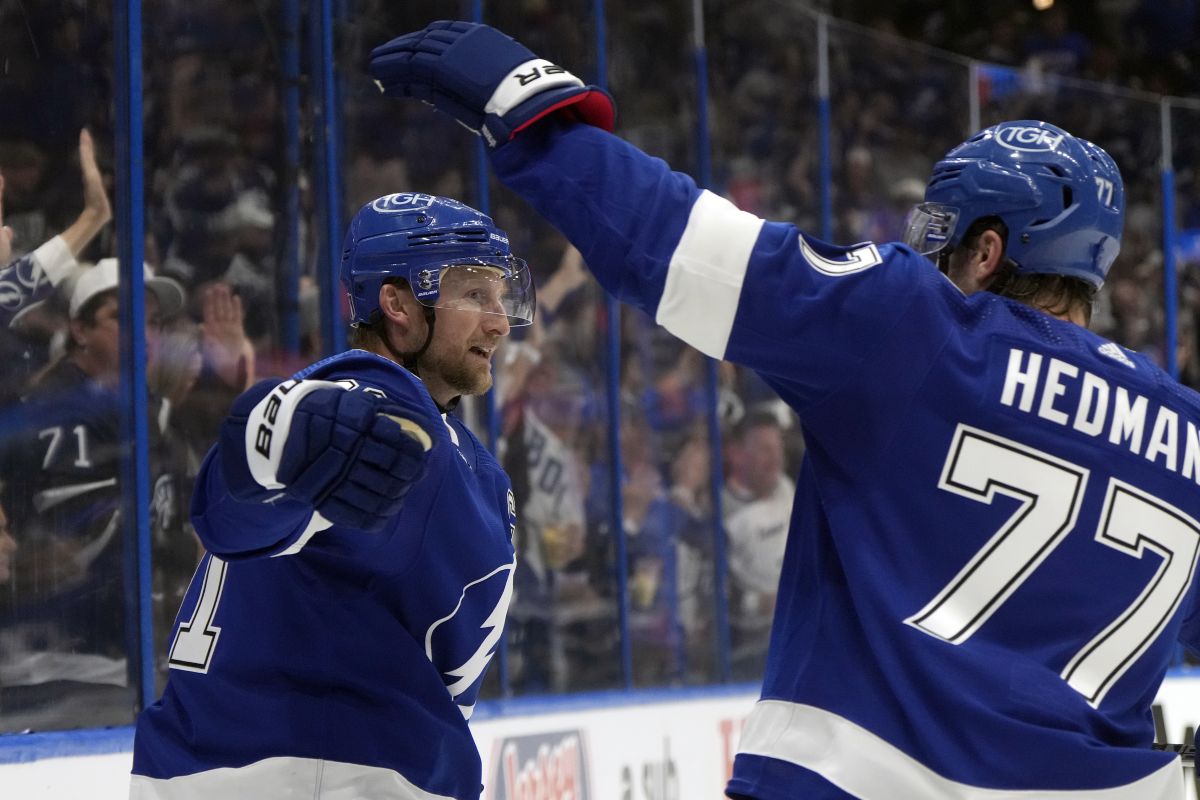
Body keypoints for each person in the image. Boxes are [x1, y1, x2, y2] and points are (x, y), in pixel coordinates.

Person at [371, 21, 1196, 799]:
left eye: (943, 241)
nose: (930, 260)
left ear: (986, 251)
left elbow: (678, 243)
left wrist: (532, 113)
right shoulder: (1190, 432)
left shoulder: (921, 324)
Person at [130, 192, 535, 800]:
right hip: (328, 771)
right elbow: (240, 504)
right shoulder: (379, 397)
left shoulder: (468, 462)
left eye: (501, 298)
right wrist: (278, 440)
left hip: (198, 764)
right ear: (398, 303)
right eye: (474, 294)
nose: (500, 321)